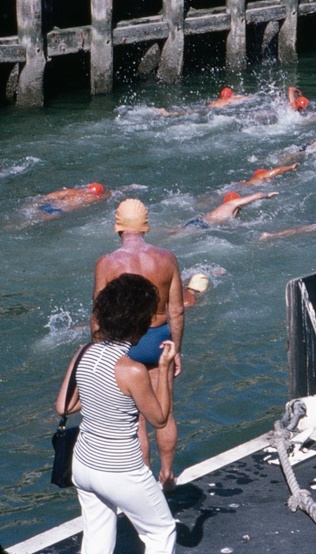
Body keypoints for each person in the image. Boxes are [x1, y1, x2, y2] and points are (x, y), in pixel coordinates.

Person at [57, 273, 177, 553]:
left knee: (97, 536)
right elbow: (159, 419)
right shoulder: (131, 370)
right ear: (142, 323)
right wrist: (165, 368)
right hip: (121, 469)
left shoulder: (84, 352)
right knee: (161, 531)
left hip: (84, 465)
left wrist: (104, 398)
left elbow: (64, 407)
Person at [92, 199, 184, 491]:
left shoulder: (107, 263)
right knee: (164, 411)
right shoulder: (167, 258)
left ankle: (143, 478)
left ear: (117, 226)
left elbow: (98, 315)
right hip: (159, 340)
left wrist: (98, 351)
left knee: (136, 419)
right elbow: (177, 311)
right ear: (146, 226)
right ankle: (167, 475)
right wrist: (175, 349)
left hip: (124, 343)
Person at [185, 191, 279, 228]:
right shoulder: (233, 203)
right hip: (201, 225)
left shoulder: (227, 207)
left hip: (199, 221)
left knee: (177, 232)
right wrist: (267, 195)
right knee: (177, 237)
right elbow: (257, 195)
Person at [33, 182, 108, 218]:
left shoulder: (73, 191)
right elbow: (108, 195)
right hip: (59, 210)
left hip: (50, 204)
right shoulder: (93, 198)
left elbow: (51, 196)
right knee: (31, 222)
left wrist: (42, 200)